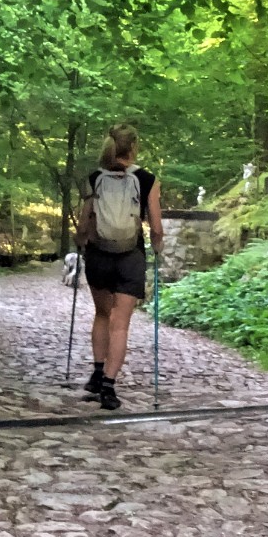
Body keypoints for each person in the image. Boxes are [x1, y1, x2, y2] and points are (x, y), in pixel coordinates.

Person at [75, 124, 164, 410]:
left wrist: (81, 243)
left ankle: (97, 373)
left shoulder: (94, 177)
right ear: (134, 147)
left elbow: (84, 222)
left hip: (99, 255)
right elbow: (157, 227)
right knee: (120, 324)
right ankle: (109, 387)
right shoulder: (148, 179)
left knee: (102, 315)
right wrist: (158, 248)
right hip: (130, 257)